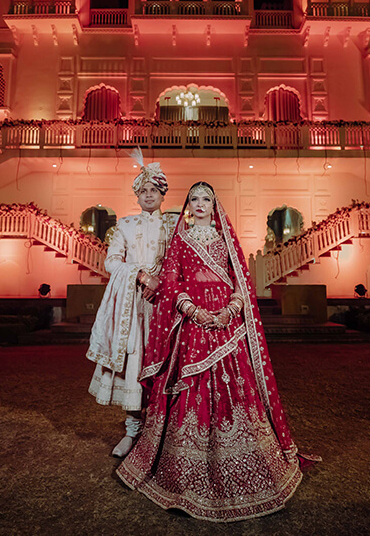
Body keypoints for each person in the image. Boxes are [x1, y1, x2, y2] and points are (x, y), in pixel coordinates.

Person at [117, 181, 318, 522]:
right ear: (188, 204)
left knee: (236, 390)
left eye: (205, 199)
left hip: (227, 326)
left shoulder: (226, 240)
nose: (199, 204)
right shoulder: (180, 239)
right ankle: (183, 471)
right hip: (193, 325)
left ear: (214, 204)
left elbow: (240, 282)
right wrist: (192, 310)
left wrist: (231, 309)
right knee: (188, 391)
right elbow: (172, 281)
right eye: (193, 199)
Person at [87, 151, 177, 457]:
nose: (148, 195)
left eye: (154, 190)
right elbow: (111, 262)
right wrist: (140, 275)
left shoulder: (175, 225)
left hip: (166, 303)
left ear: (163, 194)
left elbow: (181, 263)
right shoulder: (124, 225)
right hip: (134, 304)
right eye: (143, 191)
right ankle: (132, 431)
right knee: (134, 361)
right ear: (137, 195)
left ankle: (164, 430)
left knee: (169, 362)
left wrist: (161, 282)